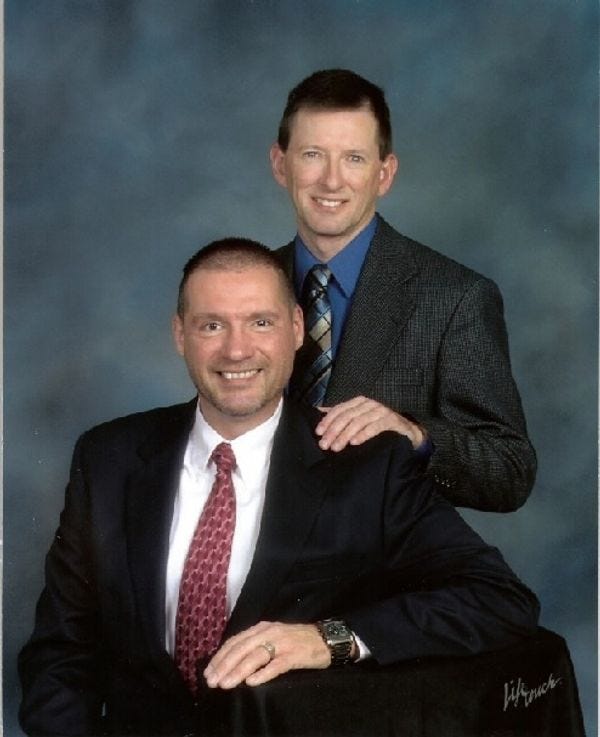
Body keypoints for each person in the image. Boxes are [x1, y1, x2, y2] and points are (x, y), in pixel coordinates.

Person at [18, 239, 539, 736]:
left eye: (260, 322)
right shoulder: (108, 457)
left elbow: (499, 598)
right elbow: (62, 651)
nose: (236, 349)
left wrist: (327, 639)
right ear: (179, 335)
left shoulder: (366, 467)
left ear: (296, 329)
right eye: (212, 325)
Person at [270, 68, 536, 511]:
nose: (332, 180)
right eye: (313, 154)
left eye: (354, 158)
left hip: (383, 555)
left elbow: (510, 471)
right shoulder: (246, 284)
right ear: (281, 164)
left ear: (385, 173)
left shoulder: (454, 297)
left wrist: (416, 435)